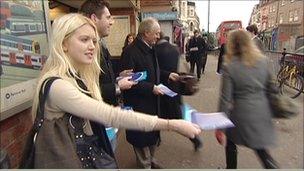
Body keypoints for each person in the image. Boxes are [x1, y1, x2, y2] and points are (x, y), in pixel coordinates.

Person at [31, 13, 201, 169]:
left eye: (94, 41)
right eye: (84, 40)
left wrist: (119, 80)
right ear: (63, 44)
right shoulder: (58, 86)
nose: (92, 47)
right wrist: (172, 125)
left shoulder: (75, 77)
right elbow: (111, 116)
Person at [120, 17, 181, 169]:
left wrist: (167, 75)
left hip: (152, 103)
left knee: (152, 136)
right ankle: (145, 165)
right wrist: (151, 88)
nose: (158, 37)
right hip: (139, 105)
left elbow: (152, 71)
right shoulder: (130, 52)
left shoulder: (150, 48)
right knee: (141, 140)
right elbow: (128, 82)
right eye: (156, 33)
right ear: (146, 33)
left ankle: (151, 161)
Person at [216, 30, 279, 169]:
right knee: (262, 151)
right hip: (262, 112)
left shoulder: (229, 67)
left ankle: (231, 168)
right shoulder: (263, 61)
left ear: (231, 45)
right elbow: (273, 89)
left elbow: (225, 99)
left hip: (240, 114)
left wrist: (219, 127)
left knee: (231, 142)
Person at [79, 0, 135, 151]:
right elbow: (86, 91)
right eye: (108, 17)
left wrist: (118, 76)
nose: (112, 22)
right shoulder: (85, 50)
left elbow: (100, 77)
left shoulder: (100, 44)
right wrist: (118, 87)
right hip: (96, 122)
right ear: (94, 18)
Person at [155, 32, 203, 151]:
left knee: (156, 115)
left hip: (159, 88)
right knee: (178, 116)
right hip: (174, 87)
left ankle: (157, 138)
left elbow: (155, 70)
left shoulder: (154, 50)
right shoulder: (174, 49)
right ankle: (195, 139)